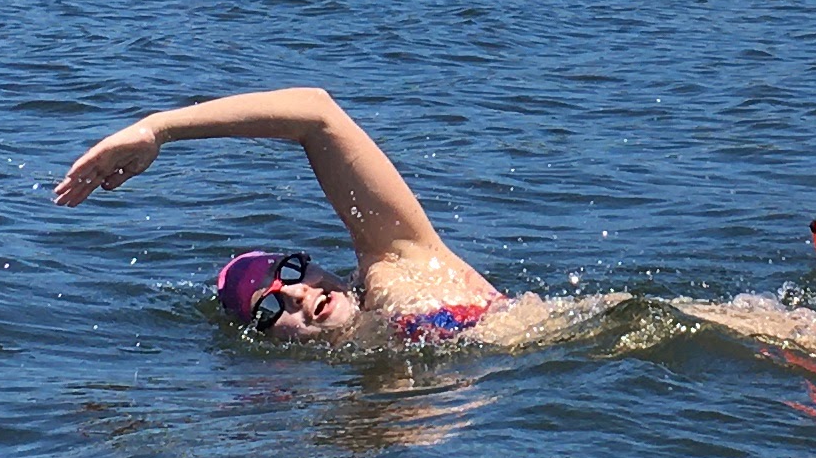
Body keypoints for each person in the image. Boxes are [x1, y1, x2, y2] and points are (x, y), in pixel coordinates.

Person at [54, 88, 504, 341]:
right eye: (268, 305)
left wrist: (157, 129)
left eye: (290, 269)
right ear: (268, 341)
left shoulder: (398, 258)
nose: (294, 292)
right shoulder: (358, 391)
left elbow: (317, 114)